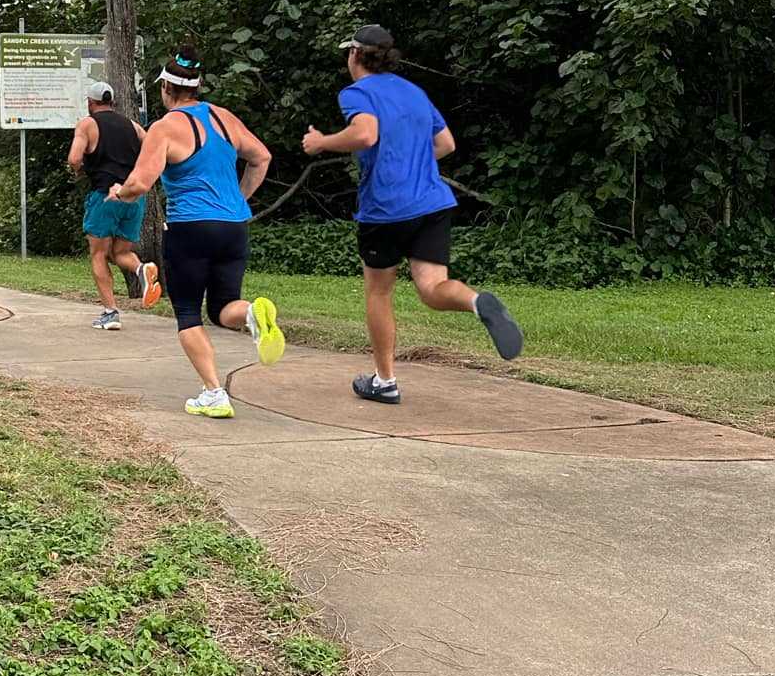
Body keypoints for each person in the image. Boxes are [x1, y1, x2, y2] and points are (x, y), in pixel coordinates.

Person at [302, 24, 523, 403]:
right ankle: (476, 302)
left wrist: (322, 142)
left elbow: (366, 134)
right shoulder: (414, 92)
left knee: (379, 291)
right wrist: (411, 162)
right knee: (433, 288)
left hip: (385, 209)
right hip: (432, 203)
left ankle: (385, 381)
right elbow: (446, 143)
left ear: (354, 55)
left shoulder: (357, 92)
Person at [110, 46, 285, 418]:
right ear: (197, 86)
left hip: (190, 228)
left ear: (165, 88)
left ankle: (214, 393)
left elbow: (140, 183)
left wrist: (119, 192)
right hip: (234, 226)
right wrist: (238, 198)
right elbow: (262, 157)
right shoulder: (224, 118)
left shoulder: (164, 128)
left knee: (188, 312)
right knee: (223, 308)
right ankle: (252, 313)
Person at [68, 81, 161, 329]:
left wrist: (81, 170)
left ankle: (110, 313)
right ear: (112, 101)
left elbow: (74, 158)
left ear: (90, 102)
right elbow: (153, 151)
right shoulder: (132, 125)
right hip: (133, 197)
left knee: (98, 254)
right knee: (120, 253)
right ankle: (141, 269)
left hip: (105, 197)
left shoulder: (87, 124)